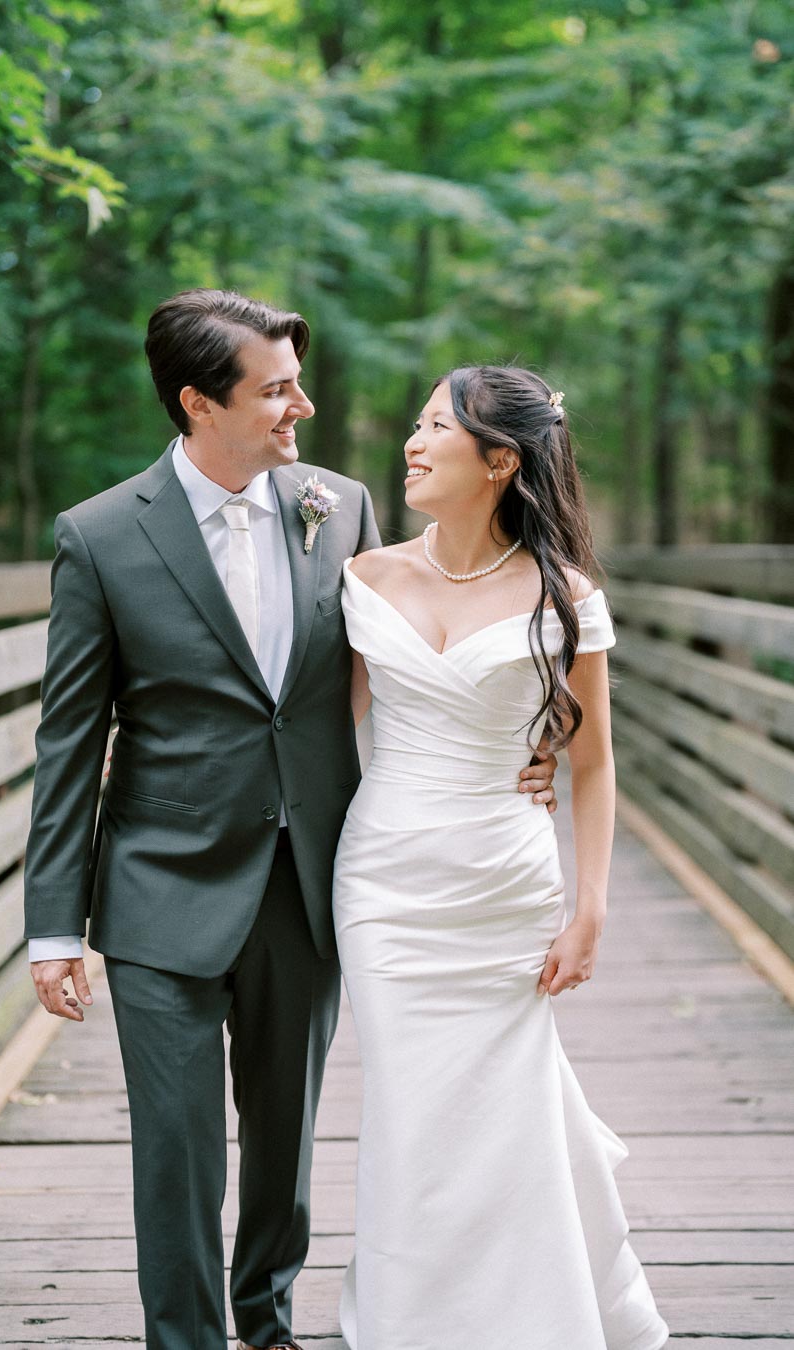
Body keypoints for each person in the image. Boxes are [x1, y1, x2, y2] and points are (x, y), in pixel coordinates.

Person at [22, 291, 559, 1350]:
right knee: (176, 1149)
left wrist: (522, 746)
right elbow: (67, 740)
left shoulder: (341, 507)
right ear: (196, 404)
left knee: (284, 1143)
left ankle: (267, 1327)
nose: (300, 408)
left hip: (307, 877)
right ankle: (186, 1340)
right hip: (157, 887)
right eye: (274, 390)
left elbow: (413, 663)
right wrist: (53, 924)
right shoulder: (97, 538)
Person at [333, 365, 670, 1350]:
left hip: (504, 882)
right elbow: (314, 733)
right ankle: (401, 1326)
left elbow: (595, 761)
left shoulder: (563, 594)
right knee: (410, 1115)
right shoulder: (364, 577)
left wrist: (592, 905)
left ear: (499, 460)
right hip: (386, 885)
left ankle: (543, 1314)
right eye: (417, 422)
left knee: (501, 1109)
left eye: (436, 425)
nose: (412, 440)